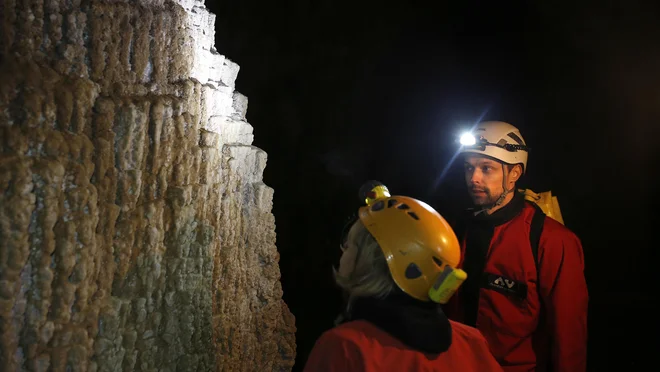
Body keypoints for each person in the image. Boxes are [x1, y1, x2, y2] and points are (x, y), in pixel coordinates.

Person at [303, 183, 503, 372]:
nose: (342, 251)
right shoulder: (471, 343)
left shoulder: (345, 348)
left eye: (350, 245)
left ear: (371, 262)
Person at [444, 121, 588, 371]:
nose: (473, 178)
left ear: (514, 174)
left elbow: (569, 332)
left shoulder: (552, 240)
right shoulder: (456, 230)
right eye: (469, 168)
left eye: (486, 168)